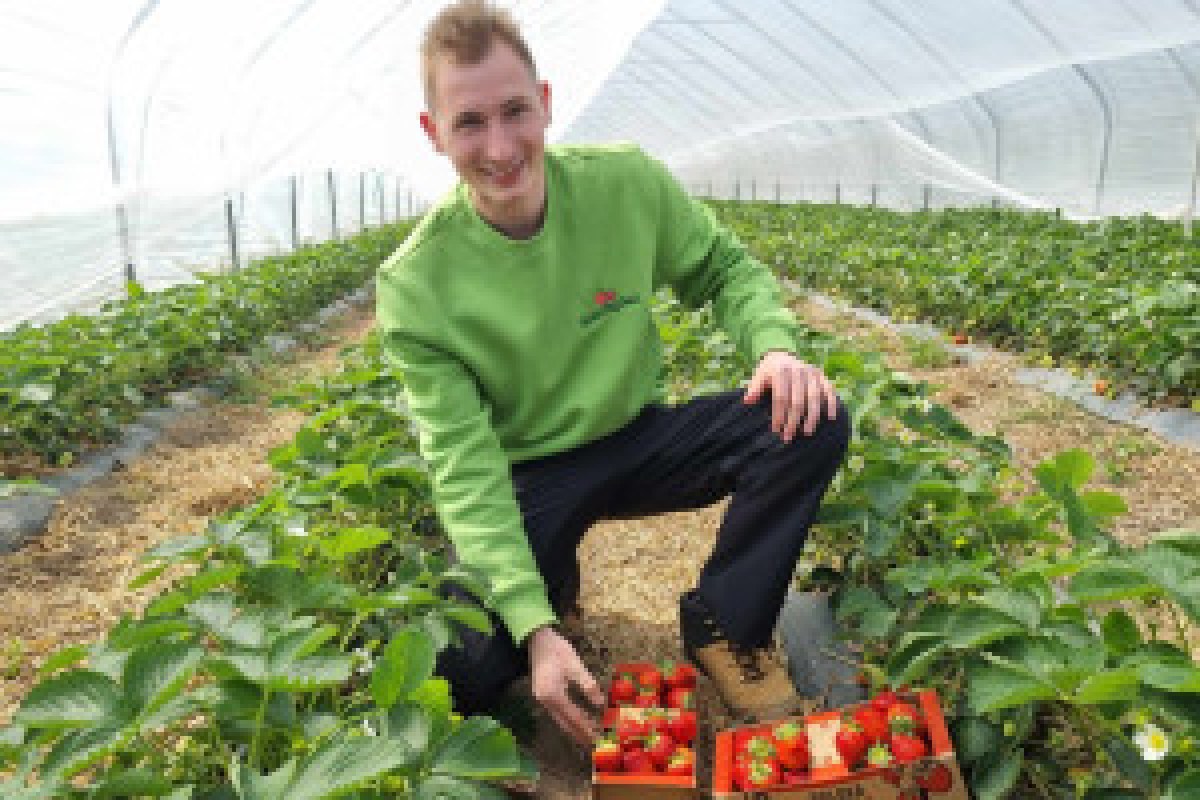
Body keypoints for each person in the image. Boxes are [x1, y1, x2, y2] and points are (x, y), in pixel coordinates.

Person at [375, 0, 850, 749]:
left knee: (810, 415)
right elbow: (465, 470)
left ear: (548, 105)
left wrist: (774, 348)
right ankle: (550, 588)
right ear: (434, 135)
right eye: (469, 123)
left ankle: (726, 623)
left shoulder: (622, 185)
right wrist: (533, 628)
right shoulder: (418, 284)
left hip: (638, 437)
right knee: (458, 672)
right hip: (531, 475)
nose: (499, 146)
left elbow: (724, 268)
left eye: (514, 111)